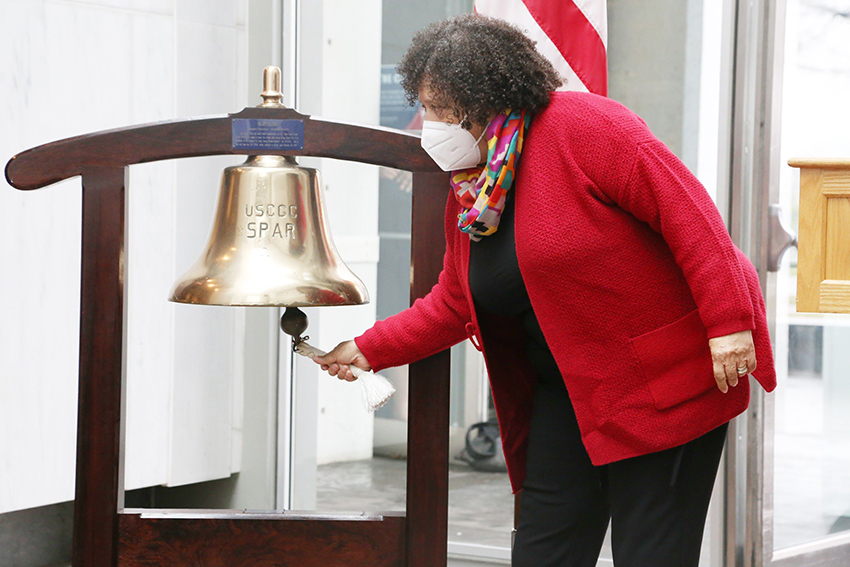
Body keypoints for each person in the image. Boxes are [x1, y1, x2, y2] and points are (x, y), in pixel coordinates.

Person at [313, 14, 776, 567]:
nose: (426, 122)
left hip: (661, 385)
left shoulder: (588, 127)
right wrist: (369, 349)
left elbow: (693, 219)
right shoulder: (473, 190)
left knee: (652, 554)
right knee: (541, 551)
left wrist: (729, 324)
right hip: (568, 397)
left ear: (480, 100)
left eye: (437, 109)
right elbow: (455, 301)